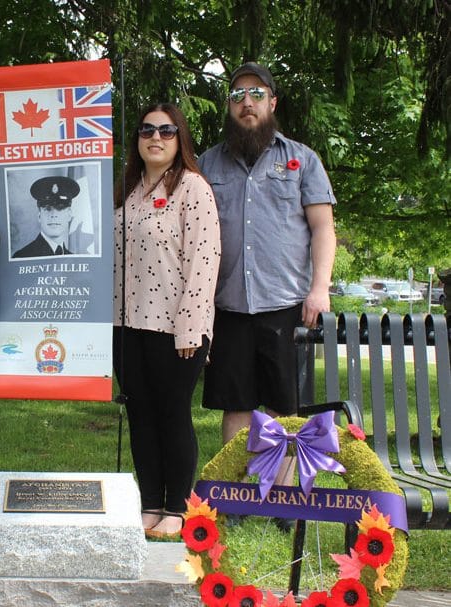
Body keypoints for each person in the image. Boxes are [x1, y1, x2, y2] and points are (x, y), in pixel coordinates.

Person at [198, 62, 336, 527]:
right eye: (237, 96)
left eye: (256, 94)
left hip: (286, 307)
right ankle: (235, 498)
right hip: (228, 307)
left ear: (272, 102)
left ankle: (283, 501)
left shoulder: (302, 160)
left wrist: (320, 289)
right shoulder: (209, 163)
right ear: (230, 106)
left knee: (284, 408)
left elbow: (323, 229)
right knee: (237, 406)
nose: (247, 103)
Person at [113, 103, 220, 538]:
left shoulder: (192, 188)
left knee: (172, 413)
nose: (155, 137)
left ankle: (177, 506)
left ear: (180, 139)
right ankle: (149, 503)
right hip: (125, 324)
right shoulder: (127, 189)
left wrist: (191, 325)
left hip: (176, 327)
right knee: (140, 414)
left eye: (166, 130)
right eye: (146, 130)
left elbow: (204, 259)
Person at [12, 175, 79, 258]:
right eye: (48, 209)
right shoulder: (22, 257)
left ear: (69, 215)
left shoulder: (74, 259)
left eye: (60, 208)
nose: (54, 215)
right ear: (39, 216)